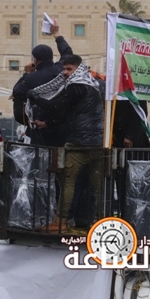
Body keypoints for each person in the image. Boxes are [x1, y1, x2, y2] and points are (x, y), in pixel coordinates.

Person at [29, 55, 104, 233]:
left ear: (78, 69)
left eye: (69, 69)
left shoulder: (76, 86)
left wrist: (35, 97)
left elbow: (56, 106)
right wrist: (48, 123)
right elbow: (70, 113)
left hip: (79, 143)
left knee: (68, 181)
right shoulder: (93, 87)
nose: (64, 73)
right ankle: (101, 221)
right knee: (98, 186)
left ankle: (60, 221)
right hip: (98, 143)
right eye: (64, 69)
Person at [12, 19, 73, 146]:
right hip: (61, 125)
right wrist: (56, 34)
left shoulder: (32, 78)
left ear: (36, 59)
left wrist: (27, 73)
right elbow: (67, 52)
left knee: (39, 155)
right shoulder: (61, 70)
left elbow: (17, 92)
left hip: (39, 127)